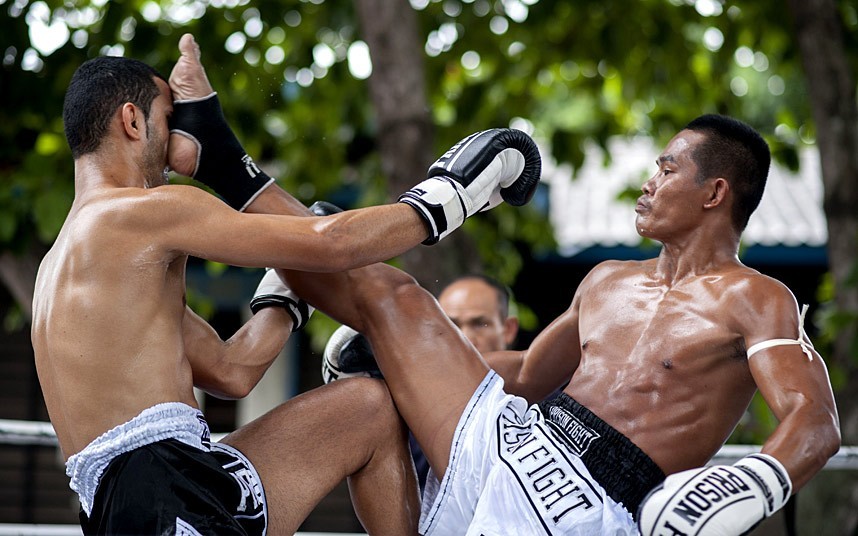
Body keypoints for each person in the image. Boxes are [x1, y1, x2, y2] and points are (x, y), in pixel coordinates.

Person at [30, 32, 540, 535]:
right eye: (170, 120)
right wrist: (451, 196)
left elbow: (232, 371)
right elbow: (333, 243)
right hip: (158, 487)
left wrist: (287, 289)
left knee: (368, 408)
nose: (169, 152)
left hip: (163, 484)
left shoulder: (70, 267)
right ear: (132, 120)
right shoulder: (138, 214)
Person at [278, 115, 842, 534]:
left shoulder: (758, 297)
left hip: (597, 501)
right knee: (386, 307)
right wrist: (401, 365)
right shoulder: (608, 278)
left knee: (385, 314)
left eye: (667, 169)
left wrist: (747, 482)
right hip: (523, 436)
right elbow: (524, 371)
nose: (649, 183)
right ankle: (222, 161)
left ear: (715, 193)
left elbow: (814, 420)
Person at [409, 274, 520, 490]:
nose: (464, 337)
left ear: (508, 329)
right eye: (451, 324)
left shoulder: (548, 405)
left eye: (480, 323)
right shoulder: (406, 408)